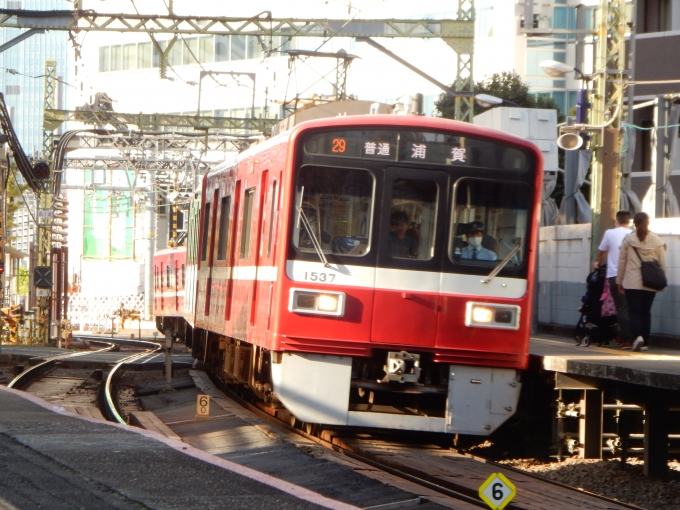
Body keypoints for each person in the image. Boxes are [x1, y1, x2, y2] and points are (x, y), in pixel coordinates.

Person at [616, 212, 666, 352]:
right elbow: (662, 263)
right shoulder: (657, 240)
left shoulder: (628, 239)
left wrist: (619, 281)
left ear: (635, 224)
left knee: (634, 311)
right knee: (646, 312)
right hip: (650, 282)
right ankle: (645, 342)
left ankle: (637, 336)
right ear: (648, 223)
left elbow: (622, 261)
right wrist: (660, 279)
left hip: (632, 281)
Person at [594, 210, 633, 347]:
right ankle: (635, 336)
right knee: (632, 308)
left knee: (622, 308)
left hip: (615, 276)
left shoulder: (610, 233)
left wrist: (599, 264)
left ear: (617, 221)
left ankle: (627, 339)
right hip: (632, 276)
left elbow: (601, 252)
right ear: (629, 222)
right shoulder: (633, 234)